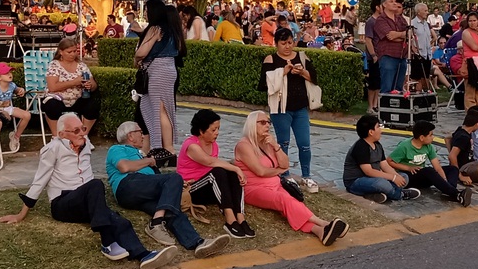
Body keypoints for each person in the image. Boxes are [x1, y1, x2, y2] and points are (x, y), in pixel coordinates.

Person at [0, 112, 175, 268]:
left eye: (82, 128)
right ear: (61, 135)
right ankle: (107, 242)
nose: (82, 133)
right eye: (76, 131)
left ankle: (143, 255)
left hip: (87, 200)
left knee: (121, 221)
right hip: (62, 203)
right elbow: (40, 180)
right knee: (96, 185)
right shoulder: (52, 149)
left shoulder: (85, 144)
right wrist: (21, 214)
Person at [104, 120, 230, 257]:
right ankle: (156, 223)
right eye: (140, 132)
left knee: (172, 210)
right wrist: (150, 161)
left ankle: (197, 243)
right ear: (130, 136)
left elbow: (160, 181)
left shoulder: (141, 155)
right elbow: (124, 167)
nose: (143, 136)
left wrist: (177, 186)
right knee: (174, 177)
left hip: (144, 193)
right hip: (128, 185)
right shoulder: (117, 149)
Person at [234, 111, 349, 244]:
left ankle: (320, 232)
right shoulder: (244, 145)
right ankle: (324, 223)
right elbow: (260, 171)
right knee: (284, 200)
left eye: (269, 122)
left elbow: (285, 164)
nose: (268, 125)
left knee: (291, 204)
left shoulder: (267, 143)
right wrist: (279, 170)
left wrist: (276, 146)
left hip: (275, 185)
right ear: (252, 125)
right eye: (263, 122)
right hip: (253, 189)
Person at [260, 28, 320, 194]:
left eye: (290, 42)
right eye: (283, 43)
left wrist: (301, 72)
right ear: (276, 43)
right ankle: (284, 174)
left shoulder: (301, 56)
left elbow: (314, 77)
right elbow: (264, 84)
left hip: (300, 107)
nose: (287, 46)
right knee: (283, 143)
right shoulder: (270, 59)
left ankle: (306, 175)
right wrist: (283, 73)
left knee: (304, 144)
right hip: (280, 109)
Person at [177, 108, 253, 237]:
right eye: (213, 130)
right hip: (192, 189)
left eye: (218, 129)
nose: (217, 133)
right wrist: (237, 168)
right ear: (201, 131)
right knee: (218, 172)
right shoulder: (191, 146)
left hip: (209, 186)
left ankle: (240, 217)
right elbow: (210, 162)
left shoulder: (214, 144)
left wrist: (234, 171)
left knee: (230, 174)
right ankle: (230, 220)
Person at [135, 0, 185, 153]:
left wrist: (137, 57)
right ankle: (168, 147)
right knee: (166, 109)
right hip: (170, 69)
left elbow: (141, 52)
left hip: (157, 70)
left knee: (158, 109)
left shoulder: (155, 29)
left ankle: (162, 147)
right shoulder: (173, 30)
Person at [387, 118, 473, 207]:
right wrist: (408, 168)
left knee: (453, 169)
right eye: (431, 135)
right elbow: (389, 161)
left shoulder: (429, 146)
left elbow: (437, 167)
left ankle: (449, 189)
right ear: (422, 137)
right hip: (409, 177)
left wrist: (444, 180)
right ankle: (456, 194)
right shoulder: (404, 146)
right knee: (429, 170)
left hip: (423, 175)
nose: (433, 137)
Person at [341, 113, 422, 203]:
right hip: (355, 182)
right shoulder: (361, 147)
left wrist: (396, 176)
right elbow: (369, 171)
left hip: (372, 178)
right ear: (371, 132)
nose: (381, 130)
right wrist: (392, 178)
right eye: (378, 127)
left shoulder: (377, 145)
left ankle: (374, 195)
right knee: (381, 183)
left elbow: (384, 165)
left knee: (404, 177)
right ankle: (400, 194)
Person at [42, 38, 100, 139]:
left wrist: (90, 85)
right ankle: (56, 136)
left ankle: (83, 136)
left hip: (78, 99)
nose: (73, 54)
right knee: (52, 105)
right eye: (69, 52)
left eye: (75, 51)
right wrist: (74, 82)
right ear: (61, 52)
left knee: (93, 103)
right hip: (59, 99)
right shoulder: (54, 65)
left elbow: (94, 84)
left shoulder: (81, 66)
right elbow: (52, 87)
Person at [0, 62, 32, 153]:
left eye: (10, 72)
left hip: (8, 108)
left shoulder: (12, 85)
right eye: (6, 73)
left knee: (27, 115)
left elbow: (16, 90)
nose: (10, 74)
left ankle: (15, 136)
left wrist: (20, 90)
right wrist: (0, 105)